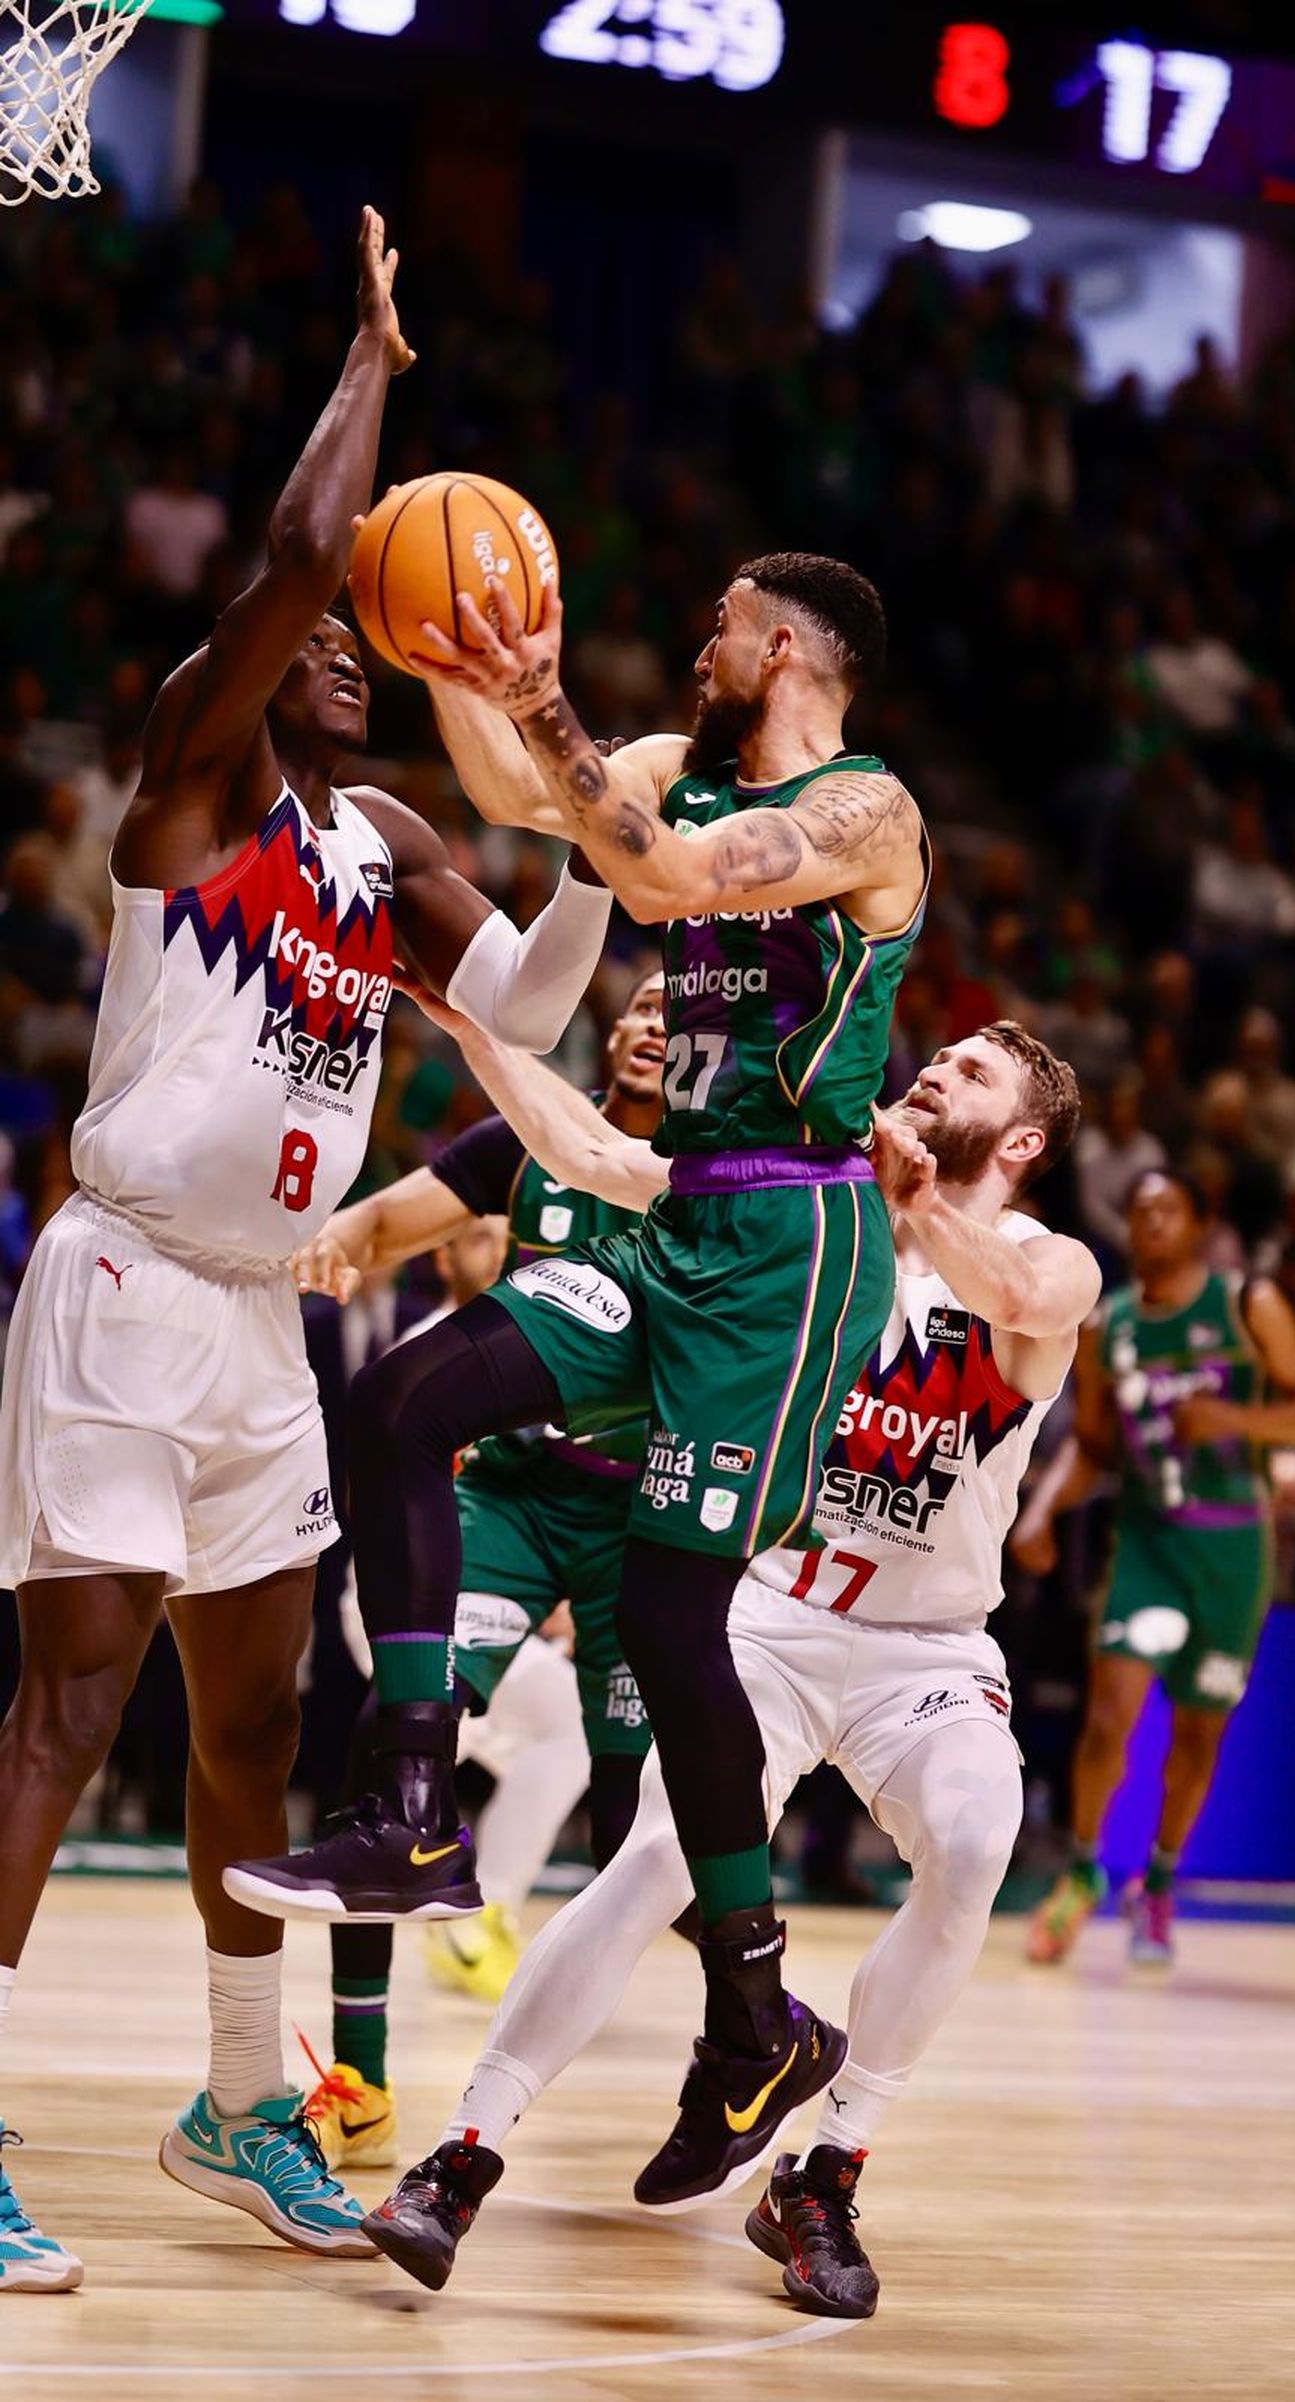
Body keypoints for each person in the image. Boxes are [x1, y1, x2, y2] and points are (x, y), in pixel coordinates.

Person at [0, 211, 618, 2292]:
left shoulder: (394, 845)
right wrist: (372, 359)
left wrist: (590, 842)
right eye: (326, 632)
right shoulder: (197, 776)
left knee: (254, 1733)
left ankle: (237, 2099)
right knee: (71, 1707)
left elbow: (523, 1004)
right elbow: (288, 562)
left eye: (371, 636)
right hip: (122, 1287)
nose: (346, 644)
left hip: (265, 1323)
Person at [227, 549, 932, 2213]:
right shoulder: (680, 767)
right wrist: (458, 655)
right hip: (674, 1211)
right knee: (401, 1402)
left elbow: (668, 879)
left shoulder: (865, 811)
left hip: (791, 1244)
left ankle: (752, 2010)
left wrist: (549, 705)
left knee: (677, 1624)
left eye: (719, 624)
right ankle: (415, 1800)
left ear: (781, 645)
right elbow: (514, 791)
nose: (698, 644)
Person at [358, 1022, 1097, 2313]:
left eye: (974, 1073)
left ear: (1024, 1138)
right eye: (937, 1055)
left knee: (979, 1835)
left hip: (926, 1647)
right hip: (768, 1610)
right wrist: (475, 1022)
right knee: (656, 1856)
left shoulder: (1049, 1259)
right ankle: (461, 2154)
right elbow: (595, 1154)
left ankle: (825, 2172)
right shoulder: (808, 1200)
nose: (936, 1068)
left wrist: (920, 1199)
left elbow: (1027, 1305)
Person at [290, 971, 667, 2170]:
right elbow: (383, 1222)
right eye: (643, 1004)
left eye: (682, 1010)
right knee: (390, 1732)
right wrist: (337, 1238)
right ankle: (360, 2075)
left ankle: (745, 2042)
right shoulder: (528, 1143)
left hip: (645, 1514)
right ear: (613, 1031)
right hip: (514, 1493)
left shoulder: (721, 1175)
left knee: (642, 1825)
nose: (657, 1022)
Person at [1013, 1170, 1295, 1970]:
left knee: (1198, 1729)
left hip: (1233, 1552)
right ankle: (1081, 1873)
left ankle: (1156, 1884)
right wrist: (1041, 1510)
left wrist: (1234, 1418)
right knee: (1108, 1712)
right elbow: (1092, 1446)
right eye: (1139, 1210)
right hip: (1148, 1542)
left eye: (1167, 1209)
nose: (1151, 1222)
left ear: (1200, 1224)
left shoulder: (1248, 1303)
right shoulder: (1110, 1325)